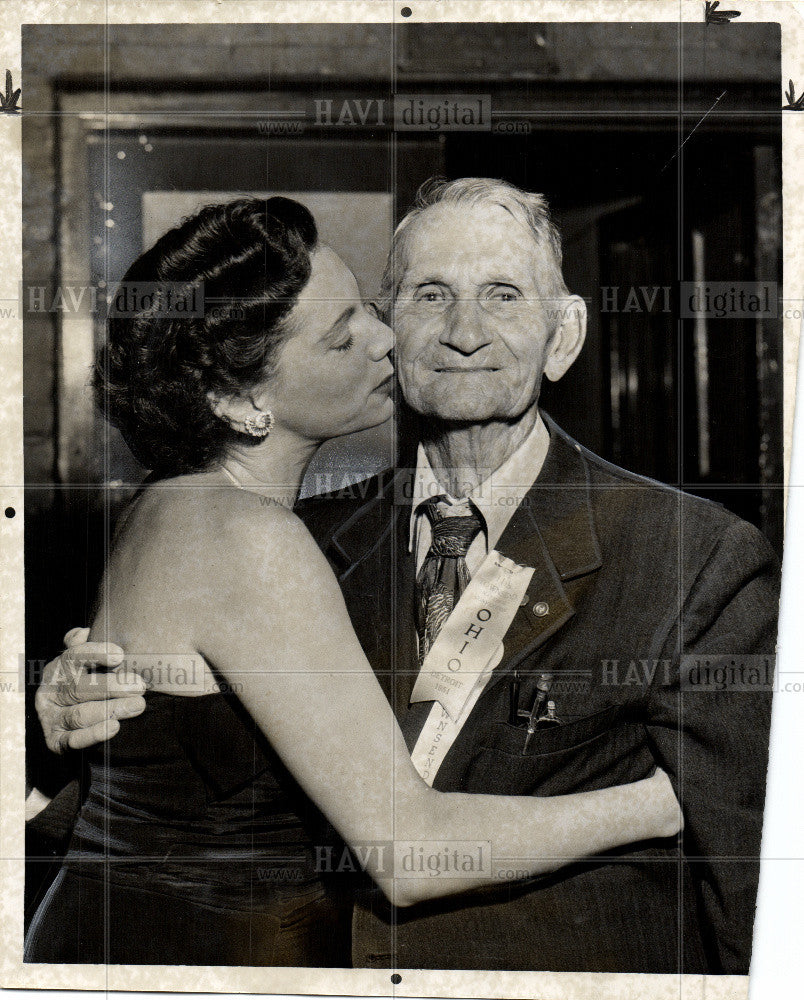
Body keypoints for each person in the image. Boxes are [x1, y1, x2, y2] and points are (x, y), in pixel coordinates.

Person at [25, 195, 684, 968]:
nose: (387, 340)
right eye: (344, 337)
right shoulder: (251, 540)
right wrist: (666, 802)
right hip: (204, 961)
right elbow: (408, 853)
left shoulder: (168, 506)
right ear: (241, 401)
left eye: (370, 310)